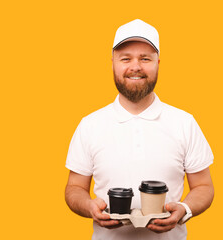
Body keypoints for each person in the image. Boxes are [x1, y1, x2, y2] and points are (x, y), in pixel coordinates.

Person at [65, 19, 214, 240]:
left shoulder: (184, 122)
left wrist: (185, 209)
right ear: (113, 62)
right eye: (126, 59)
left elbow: (203, 186)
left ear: (158, 63)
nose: (135, 66)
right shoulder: (90, 125)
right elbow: (74, 188)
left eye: (145, 59)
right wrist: (89, 206)